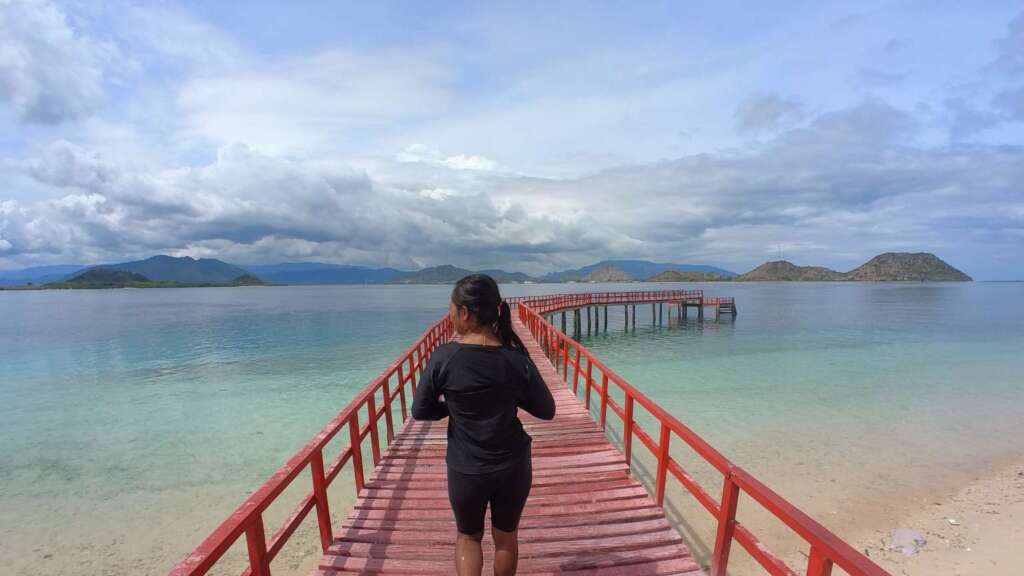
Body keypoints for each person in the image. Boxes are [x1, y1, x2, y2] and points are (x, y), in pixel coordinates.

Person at [412, 274, 556, 576]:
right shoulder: (516, 359)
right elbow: (546, 410)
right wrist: (511, 397)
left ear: (465, 313)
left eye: (451, 309)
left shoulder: (445, 358)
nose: (449, 315)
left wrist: (451, 407)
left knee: (468, 537)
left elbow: (421, 410)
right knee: (506, 539)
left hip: (466, 467)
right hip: (513, 465)